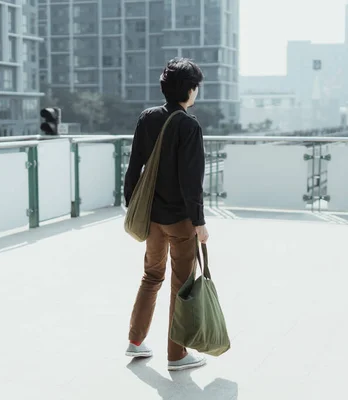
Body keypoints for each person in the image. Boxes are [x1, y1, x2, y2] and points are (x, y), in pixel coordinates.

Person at [123, 58, 209, 372]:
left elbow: (134, 168)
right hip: (180, 220)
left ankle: (135, 342)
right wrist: (199, 222)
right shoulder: (189, 125)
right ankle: (177, 355)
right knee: (181, 284)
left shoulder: (147, 118)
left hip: (153, 218)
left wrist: (133, 205)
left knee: (151, 276)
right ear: (189, 90)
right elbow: (192, 181)